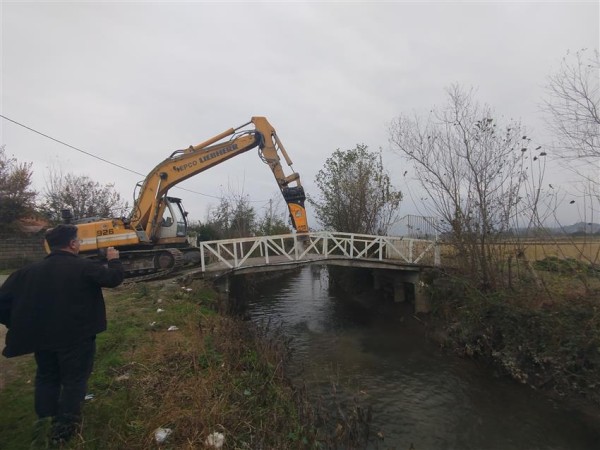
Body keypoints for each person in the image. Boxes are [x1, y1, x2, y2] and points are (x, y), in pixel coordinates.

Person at [0, 224, 124, 448]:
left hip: (42, 339)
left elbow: (2, 304)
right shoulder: (83, 267)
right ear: (73, 244)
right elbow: (113, 279)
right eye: (78, 240)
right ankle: (64, 427)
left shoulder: (26, 273)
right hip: (77, 337)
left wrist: (19, 323)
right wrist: (114, 259)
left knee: (47, 376)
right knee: (74, 379)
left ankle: (45, 420)